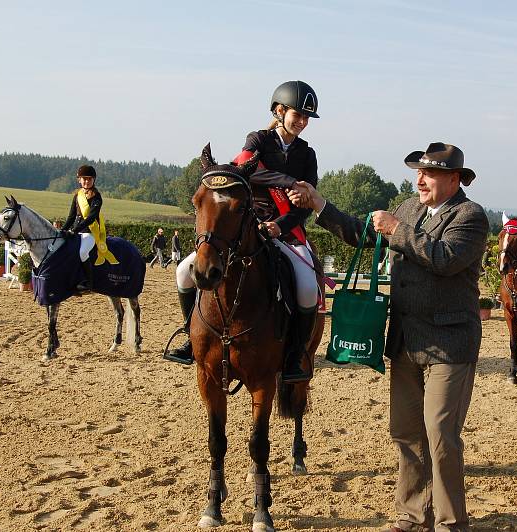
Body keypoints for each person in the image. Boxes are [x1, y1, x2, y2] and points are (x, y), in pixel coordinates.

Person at [289, 142, 489, 532]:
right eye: (417, 172)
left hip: (450, 344)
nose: (419, 180)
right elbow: (362, 235)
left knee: (441, 434)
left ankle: (451, 523)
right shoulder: (410, 208)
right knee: (406, 432)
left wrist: (397, 229)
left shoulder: (470, 216)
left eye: (428, 174)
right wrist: (318, 204)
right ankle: (413, 518)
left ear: (453, 179)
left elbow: (444, 258)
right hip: (405, 341)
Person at [164, 80, 321, 385]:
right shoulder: (258, 140)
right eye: (297, 115)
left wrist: (282, 224)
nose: (302, 122)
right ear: (279, 110)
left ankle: (295, 353)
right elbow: (247, 171)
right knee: (184, 271)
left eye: (306, 118)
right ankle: (189, 336)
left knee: (306, 287)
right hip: (246, 226)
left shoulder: (307, 154)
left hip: (285, 231)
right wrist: (289, 181)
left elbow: (307, 201)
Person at [61, 165, 117, 291]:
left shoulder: (96, 196)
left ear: (93, 180)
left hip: (90, 232)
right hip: (76, 231)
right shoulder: (77, 196)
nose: (86, 181)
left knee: (82, 252)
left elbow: (91, 218)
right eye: (84, 179)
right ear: (79, 180)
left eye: (89, 179)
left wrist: (75, 230)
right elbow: (71, 217)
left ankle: (88, 283)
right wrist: (62, 230)